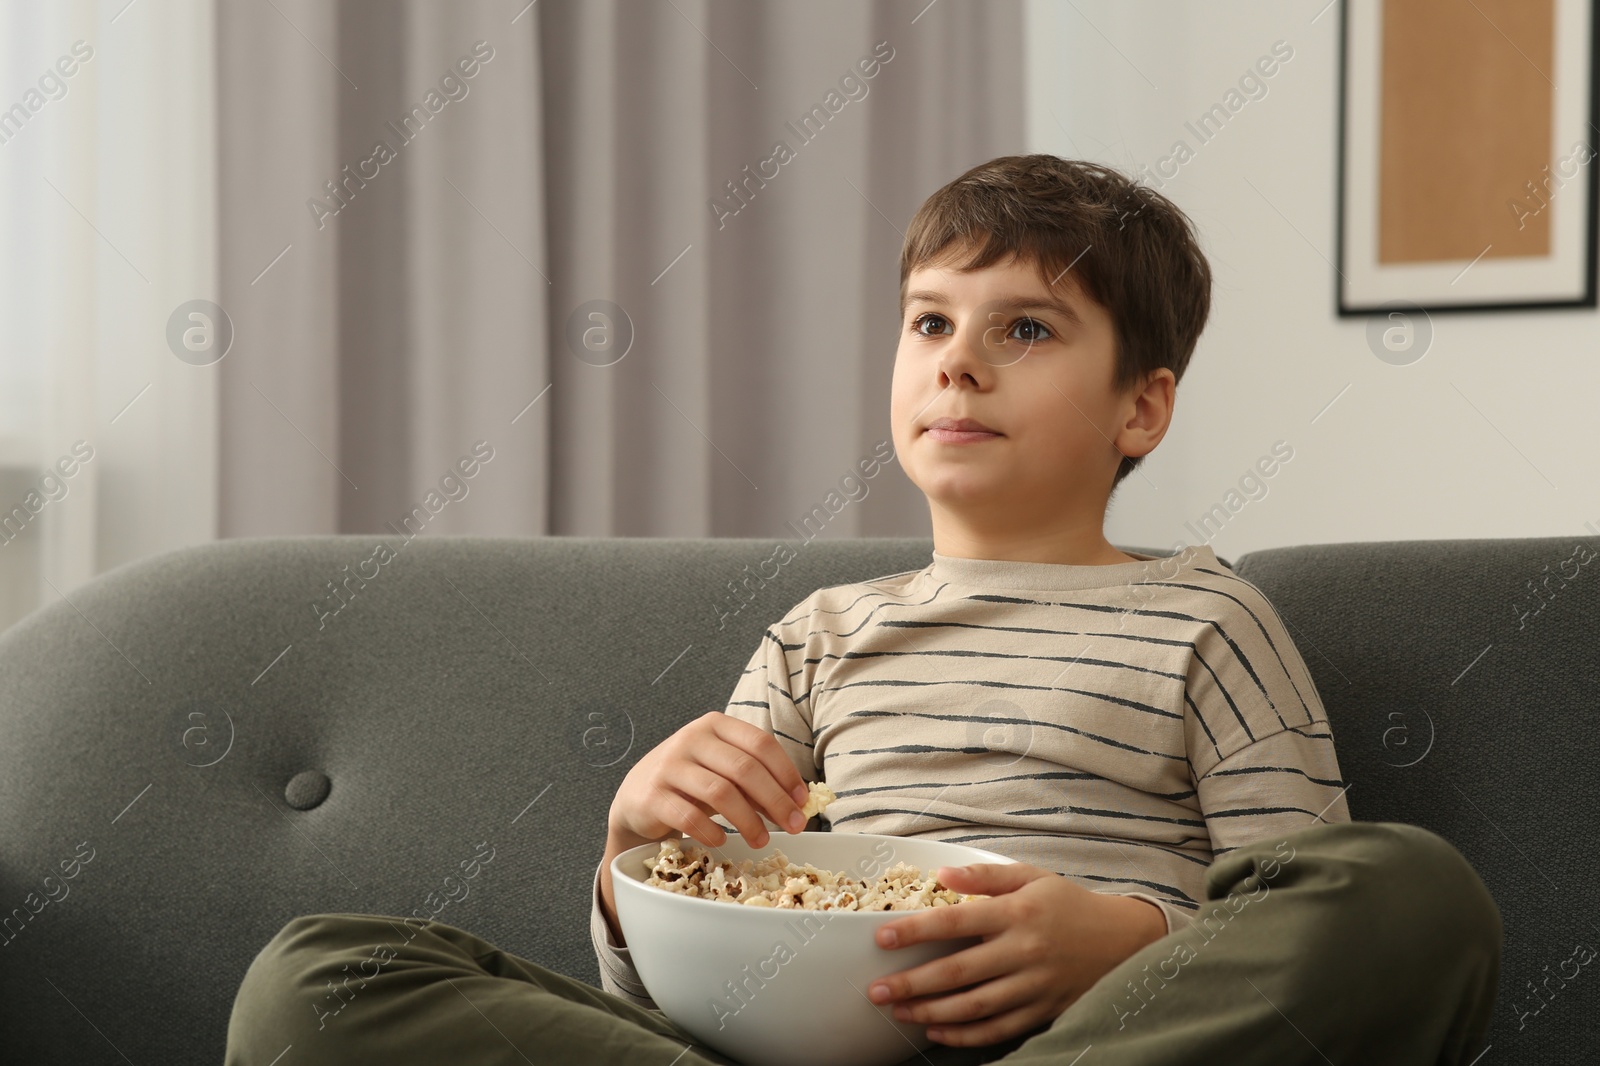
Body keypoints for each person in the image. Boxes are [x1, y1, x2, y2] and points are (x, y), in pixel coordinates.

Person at [225, 154, 1501, 1065]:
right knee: (320, 979)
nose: (958, 358)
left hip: (1095, 1034)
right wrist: (633, 859)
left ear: (1141, 408)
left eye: (1028, 329)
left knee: (1410, 896)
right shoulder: (820, 634)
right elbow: (688, 952)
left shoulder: (1203, 620)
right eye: (931, 321)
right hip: (779, 1043)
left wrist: (1120, 942)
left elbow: (1298, 895)